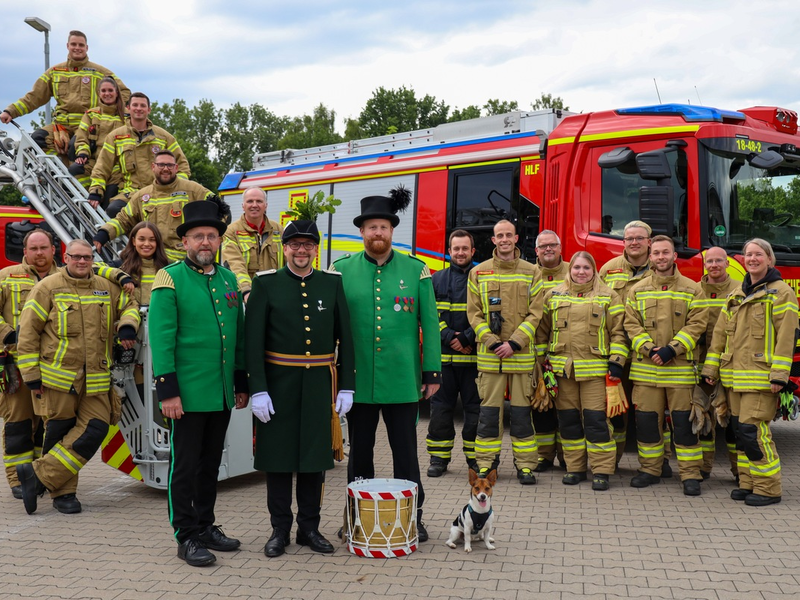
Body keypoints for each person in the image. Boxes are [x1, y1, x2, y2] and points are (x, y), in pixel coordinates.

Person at [331, 186, 441, 542]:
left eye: (383, 227)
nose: (377, 233)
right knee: (359, 453)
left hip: (401, 380)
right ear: (361, 232)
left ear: (392, 231)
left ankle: (413, 515)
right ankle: (357, 517)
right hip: (357, 380)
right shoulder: (340, 270)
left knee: (406, 453)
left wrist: (431, 373)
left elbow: (430, 325)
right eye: (371, 228)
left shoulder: (417, 270)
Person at [246, 219, 355, 558]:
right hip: (278, 384)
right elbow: (253, 342)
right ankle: (280, 530)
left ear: (316, 249)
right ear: (285, 248)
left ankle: (309, 528)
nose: (301, 250)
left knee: (313, 460)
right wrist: (257, 389)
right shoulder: (266, 283)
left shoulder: (332, 283)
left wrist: (346, 386)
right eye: (295, 244)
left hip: (318, 384)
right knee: (278, 461)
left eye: (308, 244)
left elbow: (346, 338)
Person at [149, 200, 248, 566]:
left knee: (210, 466)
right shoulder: (170, 278)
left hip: (220, 393)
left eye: (211, 235)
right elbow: (162, 340)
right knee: (185, 467)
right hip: (186, 395)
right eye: (198, 236)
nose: (205, 241)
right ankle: (185, 535)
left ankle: (206, 525)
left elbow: (236, 337)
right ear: (185, 241)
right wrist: (168, 391)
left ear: (219, 240)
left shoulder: (228, 279)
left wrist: (239, 383)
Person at [15, 239, 139, 515]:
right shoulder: (46, 288)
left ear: (92, 259)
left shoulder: (106, 287)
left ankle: (37, 476)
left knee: (95, 429)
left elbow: (130, 304)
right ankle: (64, 494)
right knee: (58, 433)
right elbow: (27, 333)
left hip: (96, 379)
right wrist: (31, 375)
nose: (82, 262)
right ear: (65, 257)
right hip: (58, 380)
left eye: (87, 257)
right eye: (76, 257)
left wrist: (128, 326)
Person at [703, 239, 799, 506]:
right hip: (734, 379)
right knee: (739, 431)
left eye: (758, 254)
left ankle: (768, 488)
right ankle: (749, 483)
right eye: (748, 254)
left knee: (752, 431)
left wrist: (780, 375)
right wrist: (711, 370)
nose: (752, 258)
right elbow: (720, 336)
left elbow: (787, 337)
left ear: (770, 259)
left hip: (762, 379)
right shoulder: (736, 294)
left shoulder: (781, 293)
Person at [536, 252, 628, 490]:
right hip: (562, 372)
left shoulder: (609, 296)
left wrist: (617, 362)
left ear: (594, 270)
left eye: (586, 267)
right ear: (570, 270)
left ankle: (601, 471)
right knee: (568, 422)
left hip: (596, 373)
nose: (580, 272)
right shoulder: (553, 295)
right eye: (576, 267)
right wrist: (539, 365)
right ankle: (575, 468)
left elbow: (618, 333)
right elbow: (542, 333)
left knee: (596, 422)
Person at [624, 235, 708, 496]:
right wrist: (649, 349)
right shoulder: (636, 290)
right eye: (656, 253)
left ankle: (690, 474)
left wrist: (673, 348)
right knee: (648, 424)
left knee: (684, 425)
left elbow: (697, 325)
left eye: (666, 252)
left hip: (680, 371)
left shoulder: (693, 289)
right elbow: (630, 324)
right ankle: (651, 469)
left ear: (674, 256)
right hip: (647, 371)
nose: (661, 257)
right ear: (650, 256)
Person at [467, 219, 542, 484]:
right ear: (494, 240)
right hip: (490, 357)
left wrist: (515, 343)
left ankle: (525, 466)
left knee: (522, 415)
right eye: (500, 235)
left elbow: (536, 313)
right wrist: (491, 341)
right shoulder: (479, 272)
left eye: (509, 234)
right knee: (488, 416)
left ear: (517, 238)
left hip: (519, 356)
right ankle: (486, 465)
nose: (505, 239)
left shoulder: (532, 271)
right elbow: (473, 313)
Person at [1, 30, 129, 155]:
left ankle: (73, 170)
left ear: (87, 47)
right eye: (73, 44)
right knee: (36, 140)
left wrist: (107, 116)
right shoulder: (55, 71)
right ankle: (54, 173)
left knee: (75, 147)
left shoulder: (100, 72)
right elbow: (34, 97)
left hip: (89, 127)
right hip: (61, 126)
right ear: (68, 46)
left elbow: (124, 93)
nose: (77, 48)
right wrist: (11, 111)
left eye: (81, 45)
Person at [0, 230, 58, 500]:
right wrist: (8, 335)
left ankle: (37, 474)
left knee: (48, 424)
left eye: (43, 248)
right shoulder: (6, 276)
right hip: (16, 363)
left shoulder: (66, 278)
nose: (38, 253)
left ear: (53, 250)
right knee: (20, 423)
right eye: (33, 248)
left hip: (54, 365)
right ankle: (17, 479)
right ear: (24, 251)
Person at [599, 220, 658, 468]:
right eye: (629, 238)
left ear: (649, 242)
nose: (634, 243)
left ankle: (658, 463)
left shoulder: (661, 268)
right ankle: (613, 462)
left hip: (649, 355)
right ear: (623, 242)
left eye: (639, 238)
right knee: (616, 411)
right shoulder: (608, 270)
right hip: (616, 355)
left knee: (650, 413)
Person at [93, 150, 218, 261]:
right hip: (151, 258)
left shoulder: (193, 190)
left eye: (169, 165)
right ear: (153, 167)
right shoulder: (141, 196)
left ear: (176, 168)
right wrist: (104, 233)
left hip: (184, 261)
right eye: (161, 165)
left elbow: (220, 210)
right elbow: (123, 220)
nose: (165, 168)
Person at [425, 229, 479, 477]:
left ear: (472, 251)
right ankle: (439, 459)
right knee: (441, 413)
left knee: (475, 413)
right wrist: (449, 337)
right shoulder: (436, 280)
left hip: (474, 362)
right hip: (445, 362)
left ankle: (475, 459)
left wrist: (468, 336)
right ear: (449, 251)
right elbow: (429, 315)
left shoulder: (482, 278)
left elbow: (489, 313)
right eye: (455, 248)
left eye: (464, 248)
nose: (460, 252)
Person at [88, 92, 190, 217]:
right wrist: (96, 191)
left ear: (149, 110)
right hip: (130, 194)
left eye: (142, 106)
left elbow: (183, 166)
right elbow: (102, 167)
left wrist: (175, 187)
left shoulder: (164, 137)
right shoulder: (115, 137)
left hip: (159, 192)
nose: (139, 109)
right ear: (128, 108)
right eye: (135, 105)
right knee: (113, 210)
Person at [696, 247, 740, 480]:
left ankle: (738, 471)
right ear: (705, 264)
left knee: (733, 421)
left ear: (727, 263)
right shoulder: (695, 290)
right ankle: (704, 468)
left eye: (718, 261)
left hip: (732, 364)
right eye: (709, 261)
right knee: (703, 419)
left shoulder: (740, 290)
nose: (714, 265)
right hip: (702, 365)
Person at [529, 230, 569, 473]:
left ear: (560, 247)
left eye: (552, 245)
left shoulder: (575, 271)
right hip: (535, 353)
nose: (548, 249)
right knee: (541, 406)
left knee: (566, 406)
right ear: (536, 251)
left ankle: (567, 456)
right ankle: (544, 456)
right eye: (543, 246)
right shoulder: (528, 273)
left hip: (566, 352)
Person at [222, 187, 283, 301]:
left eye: (259, 201)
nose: (254, 205)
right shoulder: (231, 231)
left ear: (266, 205)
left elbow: (287, 261)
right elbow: (235, 264)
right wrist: (247, 291)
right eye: (250, 201)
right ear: (243, 206)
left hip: (276, 295)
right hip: (247, 296)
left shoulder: (278, 229)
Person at [68, 76, 126, 193]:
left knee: (107, 204)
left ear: (117, 93)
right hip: (94, 163)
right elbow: (81, 138)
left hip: (117, 167)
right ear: (99, 93)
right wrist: (82, 154)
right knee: (74, 171)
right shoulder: (91, 114)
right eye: (103, 91)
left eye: (110, 90)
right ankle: (84, 199)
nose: (107, 94)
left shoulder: (127, 116)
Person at [115, 221, 170, 306]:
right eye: (141, 239)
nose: (147, 244)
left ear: (158, 242)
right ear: (133, 241)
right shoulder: (121, 265)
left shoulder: (169, 268)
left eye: (152, 240)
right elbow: (93, 267)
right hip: (129, 318)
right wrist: (120, 276)